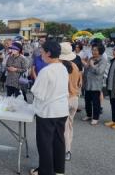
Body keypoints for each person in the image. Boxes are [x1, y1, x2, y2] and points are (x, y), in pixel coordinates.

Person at [30, 41, 69, 175]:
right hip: (62, 110)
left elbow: (38, 92)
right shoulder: (63, 67)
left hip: (48, 112)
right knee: (58, 141)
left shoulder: (46, 71)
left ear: (49, 53)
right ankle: (59, 170)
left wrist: (31, 86)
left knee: (45, 144)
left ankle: (46, 171)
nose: (41, 53)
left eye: (42, 51)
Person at [59, 42, 81, 161]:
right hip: (74, 99)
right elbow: (79, 83)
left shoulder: (60, 67)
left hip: (64, 99)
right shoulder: (75, 66)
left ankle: (65, 150)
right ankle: (67, 149)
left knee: (62, 127)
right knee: (69, 125)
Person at [82, 43, 108, 125]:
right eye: (92, 50)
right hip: (88, 83)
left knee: (96, 102)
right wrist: (86, 65)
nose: (93, 51)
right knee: (87, 101)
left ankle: (95, 118)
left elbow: (100, 71)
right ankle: (89, 115)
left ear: (100, 51)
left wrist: (92, 65)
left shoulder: (103, 60)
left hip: (96, 84)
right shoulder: (91, 58)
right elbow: (86, 69)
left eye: (95, 50)